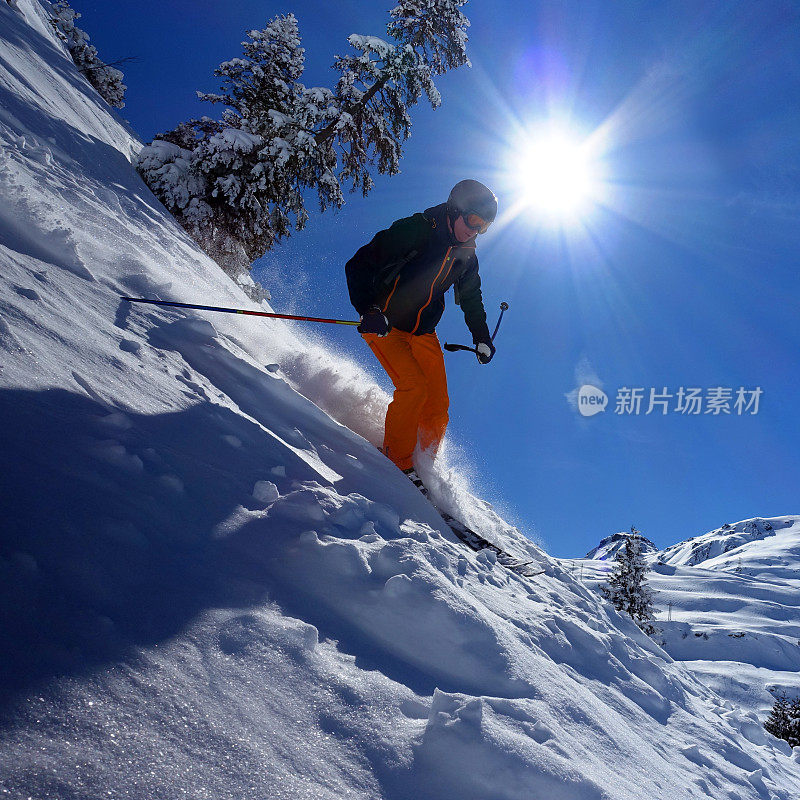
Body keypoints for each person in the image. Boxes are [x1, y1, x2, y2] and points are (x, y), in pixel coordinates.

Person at [345, 179, 498, 486]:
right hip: (385, 325)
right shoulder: (417, 230)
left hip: (423, 334)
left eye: (483, 226)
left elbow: (471, 298)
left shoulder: (466, 255)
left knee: (438, 408)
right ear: (456, 209)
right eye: (473, 221)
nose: (474, 230)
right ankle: (398, 465)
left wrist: (481, 336)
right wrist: (369, 309)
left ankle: (422, 466)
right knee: (413, 388)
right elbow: (359, 263)